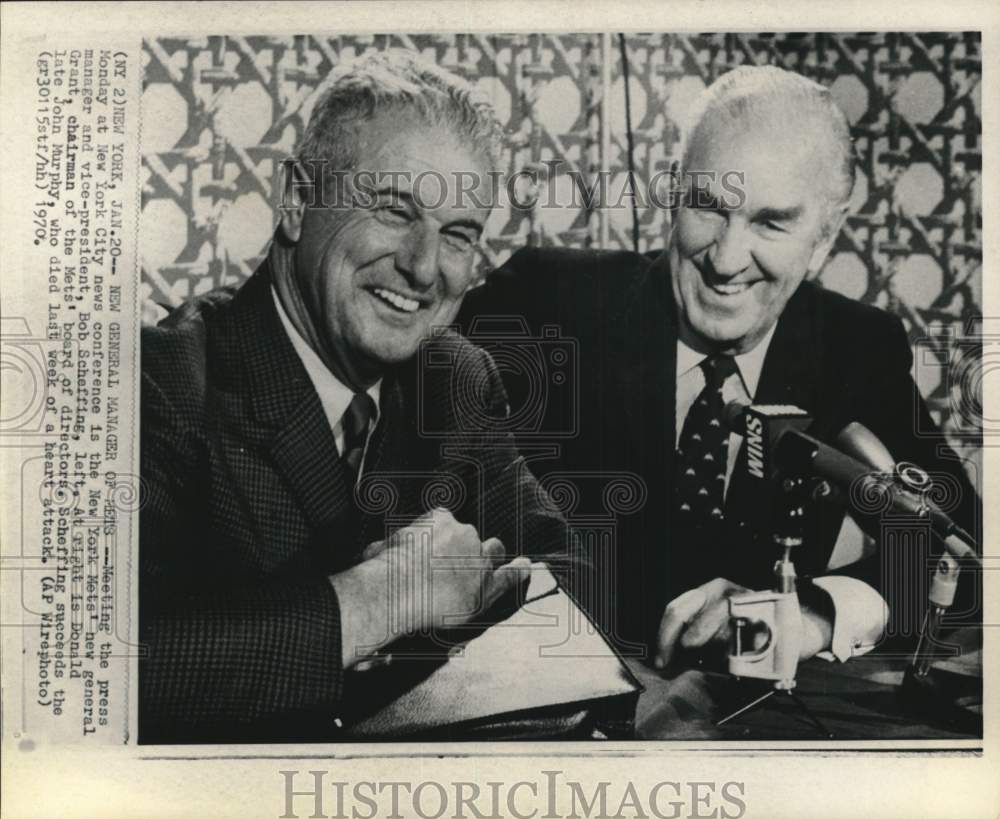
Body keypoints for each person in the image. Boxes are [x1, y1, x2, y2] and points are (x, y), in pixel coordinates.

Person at [458, 65, 980, 672]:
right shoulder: (543, 303)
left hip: (745, 717)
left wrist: (811, 613)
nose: (727, 260)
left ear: (825, 235)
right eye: (707, 206)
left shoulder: (856, 346)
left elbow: (963, 553)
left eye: (771, 222)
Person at [138, 53, 582, 743]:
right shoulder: (160, 381)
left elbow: (572, 577)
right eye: (395, 210)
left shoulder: (457, 378)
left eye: (458, 235)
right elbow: (98, 667)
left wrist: (484, 594)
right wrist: (379, 599)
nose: (424, 267)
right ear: (297, 200)